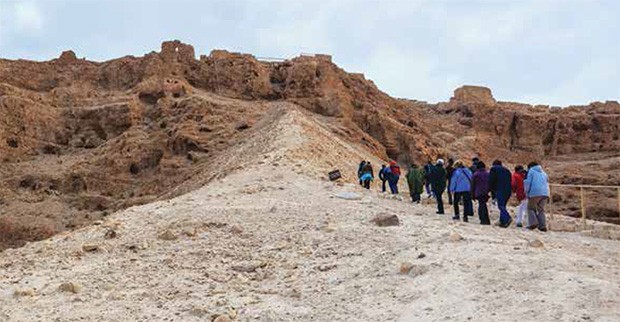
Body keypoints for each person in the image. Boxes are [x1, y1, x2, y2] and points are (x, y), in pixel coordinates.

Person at [524, 162, 549, 232]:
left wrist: (526, 192)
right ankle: (542, 226)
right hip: (545, 193)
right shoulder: (544, 173)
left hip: (535, 192)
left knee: (530, 208)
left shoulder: (531, 171)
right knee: (541, 209)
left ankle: (533, 223)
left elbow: (528, 183)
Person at [489, 160, 513, 228]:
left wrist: (490, 190)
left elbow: (491, 180)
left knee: (500, 206)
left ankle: (507, 218)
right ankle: (503, 222)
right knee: (503, 205)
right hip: (508, 190)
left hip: (500, 189)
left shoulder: (493, 169)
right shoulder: (507, 170)